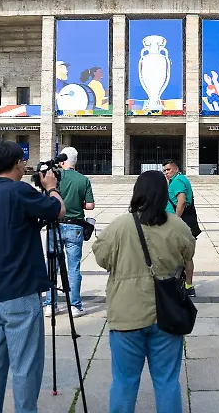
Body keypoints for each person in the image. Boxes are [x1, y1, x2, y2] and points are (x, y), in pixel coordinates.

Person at [92, 170, 195, 413]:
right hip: (167, 313)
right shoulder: (177, 226)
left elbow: (102, 258)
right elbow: (188, 255)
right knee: (167, 381)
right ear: (163, 195)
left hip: (127, 314)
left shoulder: (120, 226)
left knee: (124, 382)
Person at [0, 140, 65, 413]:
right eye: (23, 161)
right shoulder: (19, 191)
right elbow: (57, 211)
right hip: (20, 290)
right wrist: (51, 188)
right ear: (17, 163)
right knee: (25, 364)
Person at [43, 147, 95, 318]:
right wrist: (77, 204)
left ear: (62, 160)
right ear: (75, 162)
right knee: (74, 268)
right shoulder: (83, 179)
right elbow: (90, 205)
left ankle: (50, 305)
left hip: (55, 225)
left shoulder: (54, 177)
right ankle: (75, 305)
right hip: (75, 227)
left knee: (53, 266)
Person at [163, 159, 197, 296]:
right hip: (187, 221)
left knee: (177, 255)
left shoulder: (177, 182)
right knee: (186, 255)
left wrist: (176, 221)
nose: (166, 173)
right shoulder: (182, 179)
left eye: (168, 170)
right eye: (164, 170)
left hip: (179, 223)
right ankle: (188, 285)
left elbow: (181, 202)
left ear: (176, 169)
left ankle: (179, 284)